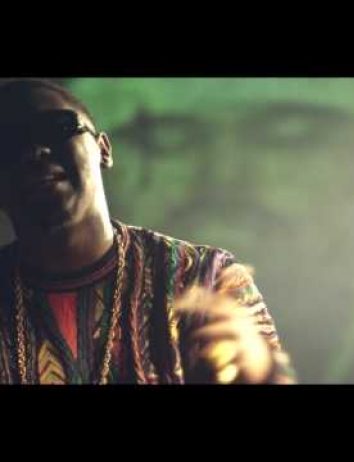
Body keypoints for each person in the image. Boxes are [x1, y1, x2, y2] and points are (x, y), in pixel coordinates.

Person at [0, 78, 296, 384]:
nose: (34, 151)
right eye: (7, 145)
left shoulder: (206, 278)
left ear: (103, 150)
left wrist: (259, 370)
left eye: (55, 128)